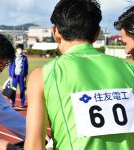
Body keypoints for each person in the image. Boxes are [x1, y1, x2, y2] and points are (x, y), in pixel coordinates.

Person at [25, 0, 134, 150]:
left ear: (55, 31)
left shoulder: (42, 76)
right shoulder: (129, 69)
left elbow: (34, 146)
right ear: (97, 33)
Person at [8, 44, 28, 108]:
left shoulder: (24, 58)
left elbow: (26, 67)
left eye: (21, 49)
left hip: (21, 76)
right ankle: (12, 102)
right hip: (14, 76)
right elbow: (10, 66)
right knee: (13, 89)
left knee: (22, 90)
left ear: (22, 50)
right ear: (16, 50)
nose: (20, 50)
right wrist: (10, 75)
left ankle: (22, 102)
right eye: (19, 49)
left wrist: (25, 76)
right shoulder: (13, 57)